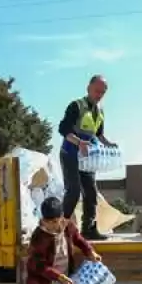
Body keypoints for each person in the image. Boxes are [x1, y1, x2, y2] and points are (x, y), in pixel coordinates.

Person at [58, 74, 118, 241]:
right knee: (73, 191)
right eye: (97, 91)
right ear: (88, 88)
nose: (99, 95)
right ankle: (60, 229)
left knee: (91, 193)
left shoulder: (99, 112)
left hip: (88, 158)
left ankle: (89, 229)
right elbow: (63, 130)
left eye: (103, 92)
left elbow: (98, 135)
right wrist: (79, 143)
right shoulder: (76, 106)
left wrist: (109, 144)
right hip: (70, 154)